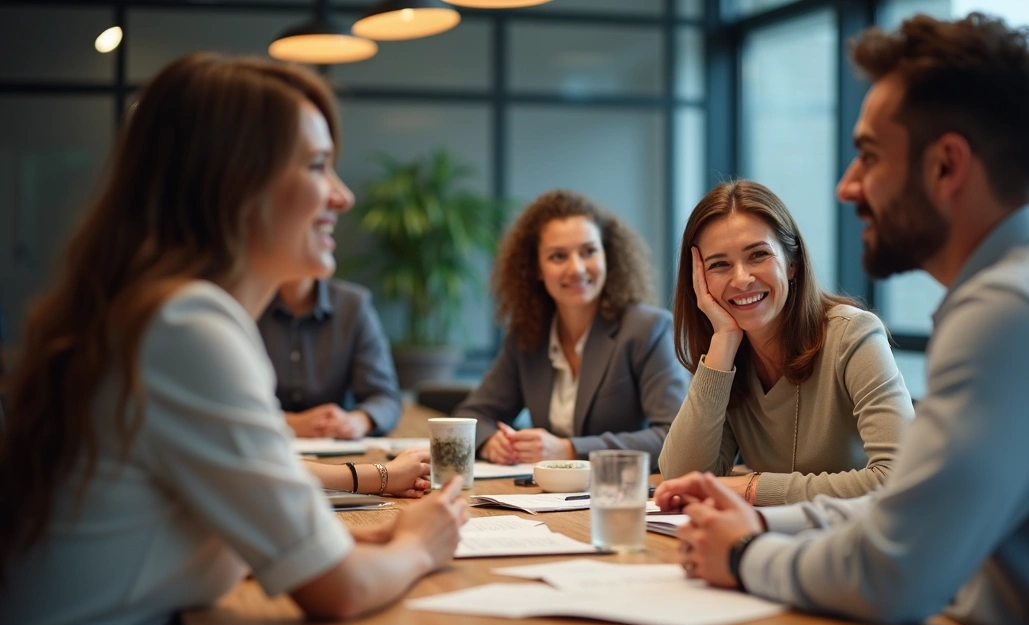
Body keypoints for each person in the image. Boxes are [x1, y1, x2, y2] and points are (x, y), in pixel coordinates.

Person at [657, 13, 1029, 625]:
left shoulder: (1016, 312)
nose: (846, 187)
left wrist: (742, 554)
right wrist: (763, 524)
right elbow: (908, 512)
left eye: (868, 155)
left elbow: (897, 573)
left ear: (946, 167)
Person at [0, 53, 467, 625]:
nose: (342, 196)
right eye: (318, 166)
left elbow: (216, 513)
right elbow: (340, 592)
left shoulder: (151, 311)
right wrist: (421, 545)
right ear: (234, 182)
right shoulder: (188, 327)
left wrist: (358, 538)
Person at [658, 180, 913, 505]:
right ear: (699, 280)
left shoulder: (853, 334)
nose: (741, 279)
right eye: (719, 265)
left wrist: (753, 488)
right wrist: (723, 341)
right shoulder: (728, 357)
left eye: (758, 255)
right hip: (777, 542)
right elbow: (681, 481)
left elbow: (899, 476)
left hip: (860, 544)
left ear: (792, 263)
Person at [454, 189, 688, 466]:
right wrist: (490, 442)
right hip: (547, 500)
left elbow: (674, 437)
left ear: (607, 257)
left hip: (625, 496)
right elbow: (472, 415)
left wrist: (570, 450)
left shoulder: (647, 329)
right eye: (558, 256)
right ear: (537, 269)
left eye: (588, 251)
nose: (576, 268)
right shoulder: (528, 337)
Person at [259, 276, 402, 438]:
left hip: (336, 444)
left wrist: (358, 421)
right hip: (259, 445)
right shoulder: (242, 302)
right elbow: (228, 402)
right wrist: (288, 423)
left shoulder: (353, 304)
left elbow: (384, 397)